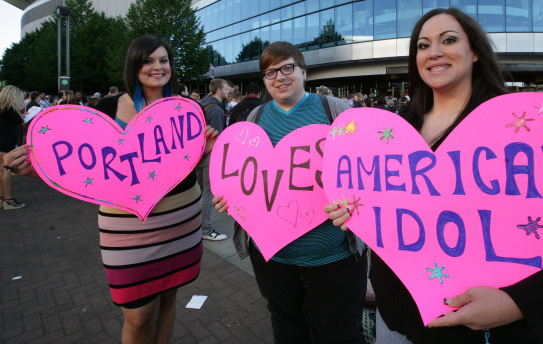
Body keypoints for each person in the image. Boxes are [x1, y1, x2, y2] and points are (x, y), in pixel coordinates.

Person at [325, 8, 543, 343]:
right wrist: (355, 210)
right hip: (396, 325)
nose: (434, 52)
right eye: (422, 45)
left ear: (475, 51)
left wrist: (517, 303)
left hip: (486, 334)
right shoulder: (396, 131)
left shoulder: (518, 128)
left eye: (449, 40)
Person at [3, 35, 220, 344]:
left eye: (163, 60)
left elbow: (183, 164)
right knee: (138, 316)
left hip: (182, 220)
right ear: (134, 65)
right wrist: (32, 170)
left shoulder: (186, 108)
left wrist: (205, 150)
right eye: (148, 61)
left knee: (169, 299)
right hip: (126, 227)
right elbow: (78, 165)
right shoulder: (106, 107)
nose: (157, 67)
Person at [214, 41, 367, 343]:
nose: (279, 77)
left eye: (287, 68)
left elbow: (367, 173)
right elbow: (242, 176)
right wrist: (228, 196)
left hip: (335, 259)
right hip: (274, 262)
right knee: (288, 331)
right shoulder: (253, 120)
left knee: (340, 335)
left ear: (303, 71)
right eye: (270, 72)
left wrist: (356, 205)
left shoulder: (335, 111)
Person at [197, 78, 229, 242]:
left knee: (201, 194)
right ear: (219, 90)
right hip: (210, 157)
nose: (228, 91)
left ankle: (199, 228)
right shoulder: (216, 109)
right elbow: (218, 138)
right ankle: (206, 230)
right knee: (208, 196)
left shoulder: (203, 104)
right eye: (225, 88)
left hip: (198, 155)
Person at [0, 85, 26, 210]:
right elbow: (21, 121)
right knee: (7, 171)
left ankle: (2, 198)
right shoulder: (10, 109)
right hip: (6, 143)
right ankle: (9, 200)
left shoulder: (2, 109)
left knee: (1, 171)